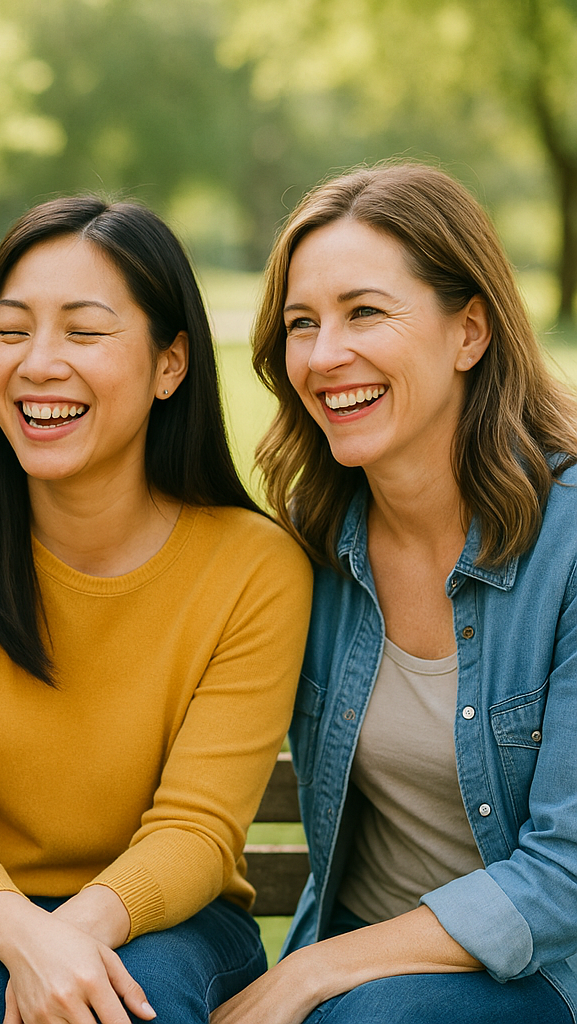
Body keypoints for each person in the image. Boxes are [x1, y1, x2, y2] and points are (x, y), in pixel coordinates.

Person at [0, 196, 313, 1024]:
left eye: (84, 332)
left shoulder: (256, 567)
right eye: (12, 328)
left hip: (171, 920)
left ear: (171, 365)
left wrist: (73, 939)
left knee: (134, 1005)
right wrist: (27, 939)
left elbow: (198, 829)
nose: (38, 363)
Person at [211, 162, 577, 1024]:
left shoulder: (568, 545)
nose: (324, 354)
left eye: (365, 311)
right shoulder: (310, 542)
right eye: (302, 323)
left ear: (470, 333)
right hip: (351, 973)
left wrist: (307, 974)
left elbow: (567, 877)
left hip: (537, 980)